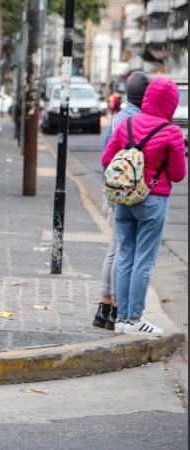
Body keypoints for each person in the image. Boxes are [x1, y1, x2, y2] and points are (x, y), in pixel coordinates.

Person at [101, 76, 187, 335]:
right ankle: (135, 318)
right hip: (152, 199)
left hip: (124, 199)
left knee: (125, 255)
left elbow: (107, 159)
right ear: (171, 103)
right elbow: (178, 174)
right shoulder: (170, 132)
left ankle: (121, 319)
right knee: (144, 260)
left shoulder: (126, 123)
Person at [93, 71, 150, 330]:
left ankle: (104, 306)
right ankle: (115, 306)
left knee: (114, 248)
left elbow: (106, 151)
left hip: (114, 185)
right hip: (128, 189)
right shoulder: (137, 119)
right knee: (122, 249)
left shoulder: (119, 117)